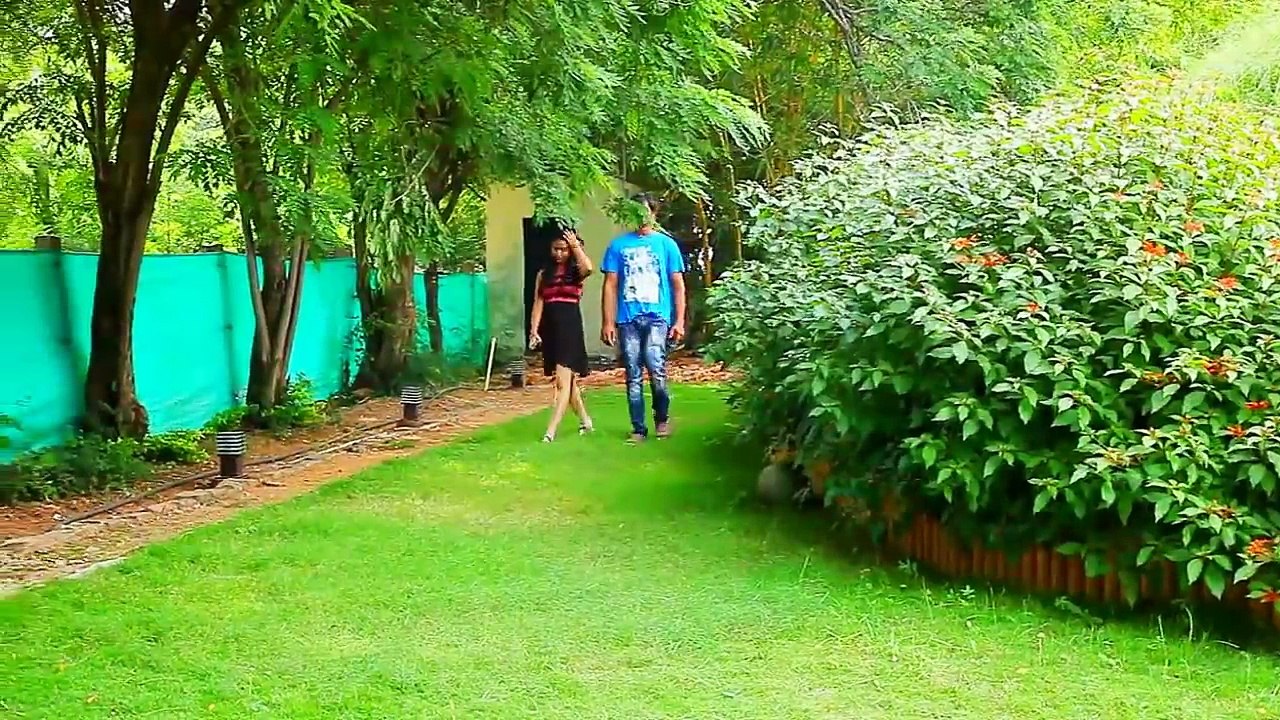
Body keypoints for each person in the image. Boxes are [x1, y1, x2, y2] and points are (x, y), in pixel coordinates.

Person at [601, 193, 686, 442]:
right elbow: (610, 285)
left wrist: (679, 320)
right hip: (628, 319)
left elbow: (678, 285)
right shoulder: (618, 246)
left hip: (657, 317)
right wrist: (608, 321)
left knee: (656, 367)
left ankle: (662, 419)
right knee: (632, 373)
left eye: (644, 211)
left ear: (653, 213)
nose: (640, 217)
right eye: (634, 212)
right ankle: (638, 428)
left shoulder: (666, 245)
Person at [529, 228, 594, 442]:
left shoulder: (575, 273)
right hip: (551, 329)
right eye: (556, 249)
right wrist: (534, 330)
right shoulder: (543, 274)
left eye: (564, 249)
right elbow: (538, 303)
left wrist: (575, 246)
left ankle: (551, 431)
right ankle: (586, 421)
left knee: (561, 383)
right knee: (570, 383)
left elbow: (589, 268)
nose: (559, 253)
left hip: (570, 328)